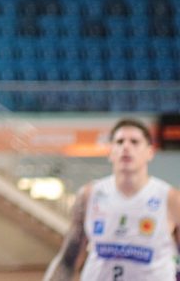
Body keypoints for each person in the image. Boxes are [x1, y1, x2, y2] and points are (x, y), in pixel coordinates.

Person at [44, 118, 180, 281]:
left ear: (150, 152)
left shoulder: (170, 198)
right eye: (120, 142)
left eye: (134, 142)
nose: (126, 147)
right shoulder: (89, 195)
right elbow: (68, 260)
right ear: (110, 152)